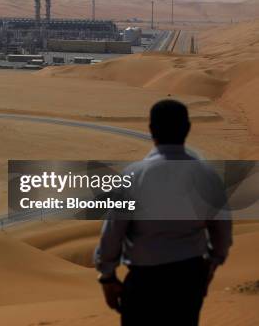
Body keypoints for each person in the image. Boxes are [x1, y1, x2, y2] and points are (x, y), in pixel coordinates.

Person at [94, 99, 232, 326]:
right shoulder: (207, 175)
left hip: (144, 281)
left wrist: (107, 276)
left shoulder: (134, 175)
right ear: (187, 129)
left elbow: (113, 230)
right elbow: (222, 229)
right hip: (188, 278)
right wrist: (213, 262)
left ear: (151, 130)